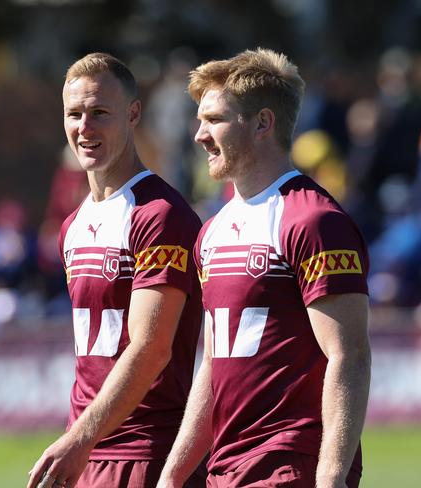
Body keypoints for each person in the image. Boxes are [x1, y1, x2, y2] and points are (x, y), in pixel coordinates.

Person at [157, 48, 371, 488]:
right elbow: (214, 362)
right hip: (224, 466)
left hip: (289, 465)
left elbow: (348, 355)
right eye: (200, 120)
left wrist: (330, 478)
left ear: (262, 124)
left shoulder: (314, 221)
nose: (199, 135)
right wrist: (173, 475)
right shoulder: (211, 231)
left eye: (214, 119)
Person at [27, 53, 205, 488]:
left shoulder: (160, 216)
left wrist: (80, 438)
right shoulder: (73, 225)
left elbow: (151, 349)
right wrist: (80, 439)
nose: (84, 128)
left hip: (146, 452)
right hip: (87, 452)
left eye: (99, 113)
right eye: (74, 114)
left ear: (133, 114)